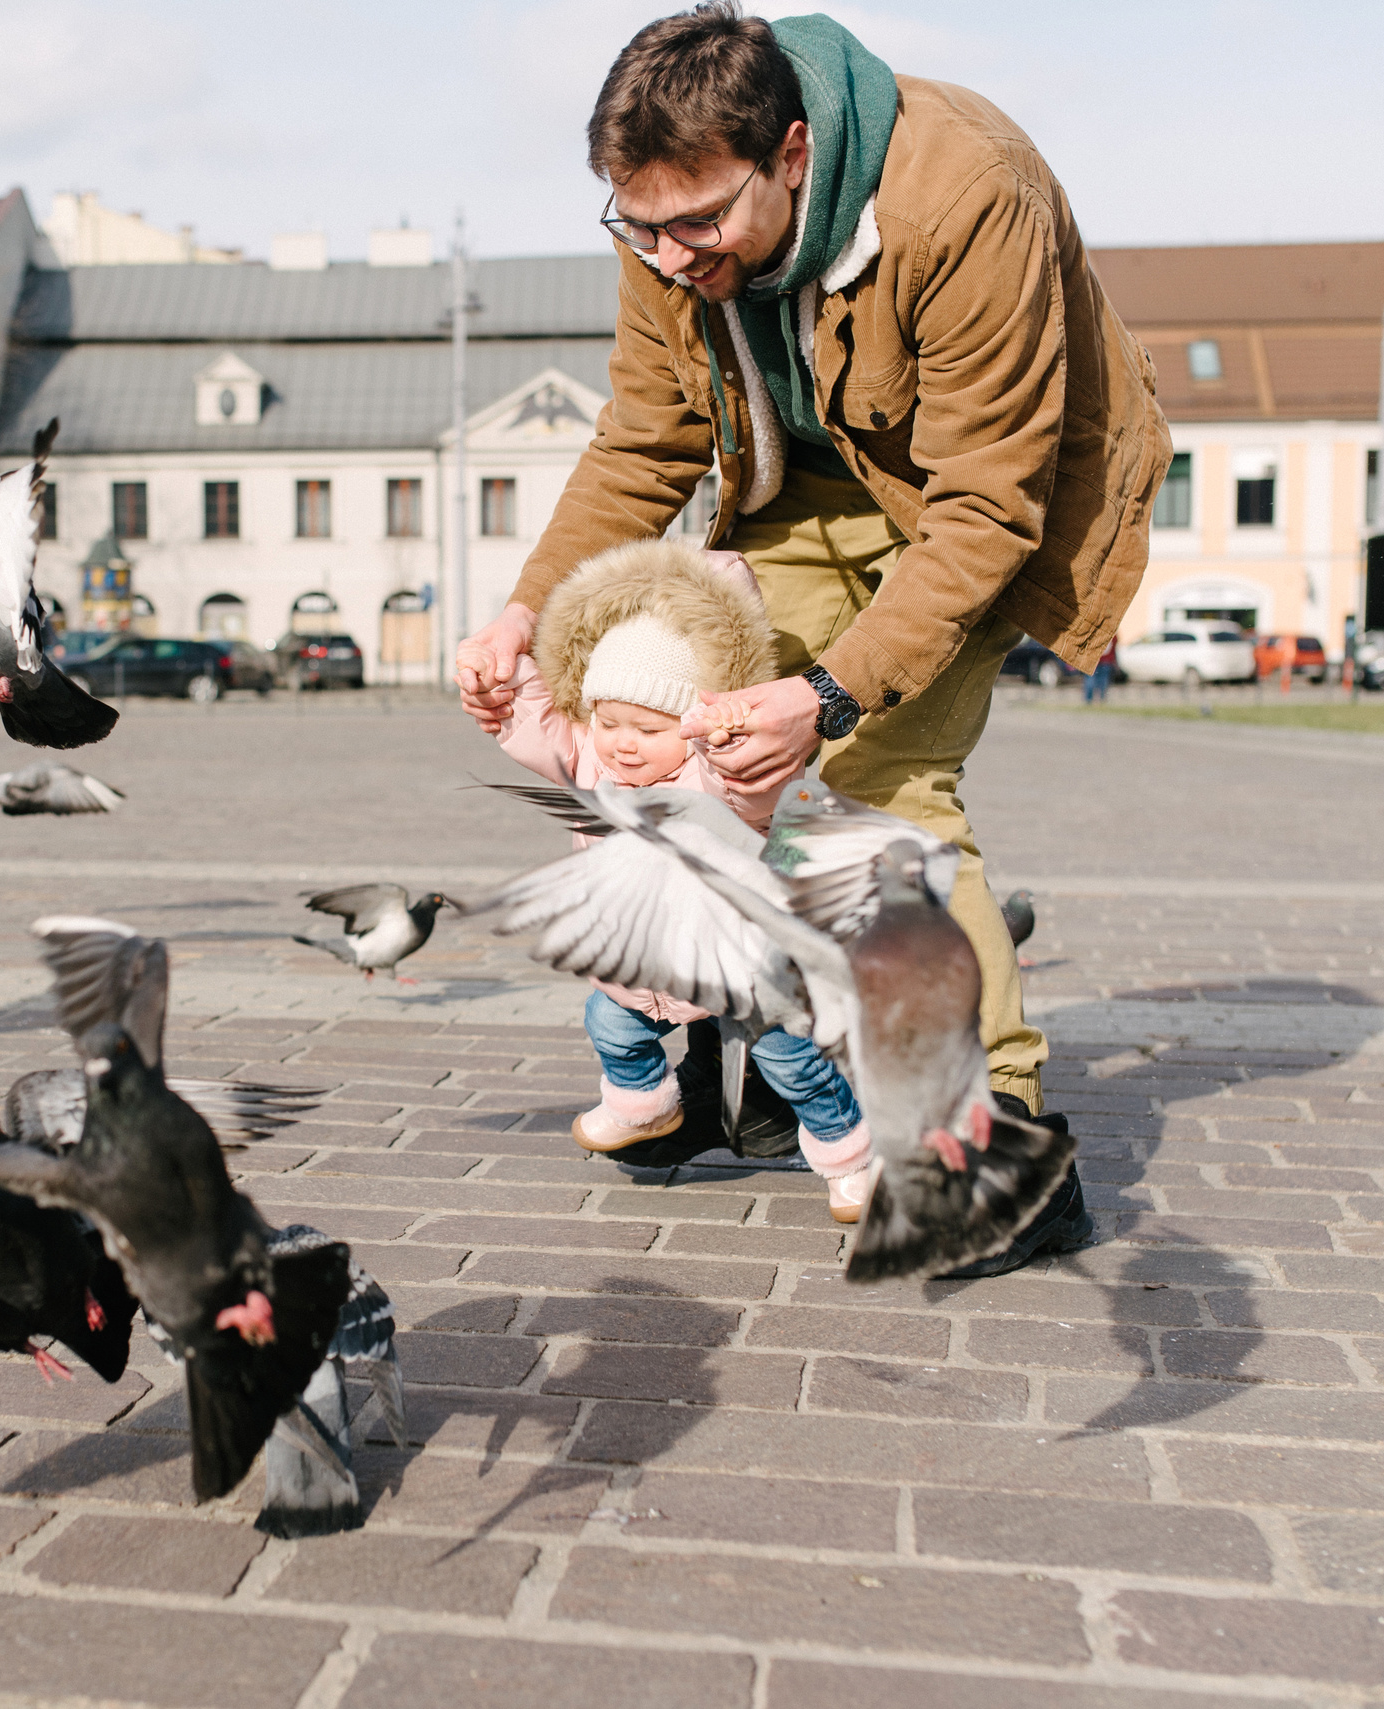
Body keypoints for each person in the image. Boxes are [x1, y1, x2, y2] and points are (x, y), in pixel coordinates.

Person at [456, 4, 1170, 1275]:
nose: (671, 254)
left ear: (792, 153)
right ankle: (762, 1067)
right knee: (697, 737)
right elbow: (645, 435)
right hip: (802, 490)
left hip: (973, 505)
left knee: (880, 791)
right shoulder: (667, 215)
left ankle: (990, 1147)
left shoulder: (965, 192)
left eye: (700, 224)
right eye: (640, 225)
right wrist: (527, 608)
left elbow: (982, 505)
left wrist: (830, 695)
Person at [468, 538, 874, 1223]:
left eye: (649, 728)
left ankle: (852, 1155)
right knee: (610, 1023)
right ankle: (642, 1104)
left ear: (688, 727)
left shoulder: (717, 778)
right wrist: (496, 674)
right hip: (640, 968)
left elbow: (754, 781)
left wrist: (727, 733)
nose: (624, 742)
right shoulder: (592, 762)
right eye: (610, 721)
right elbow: (540, 719)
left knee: (790, 1061)